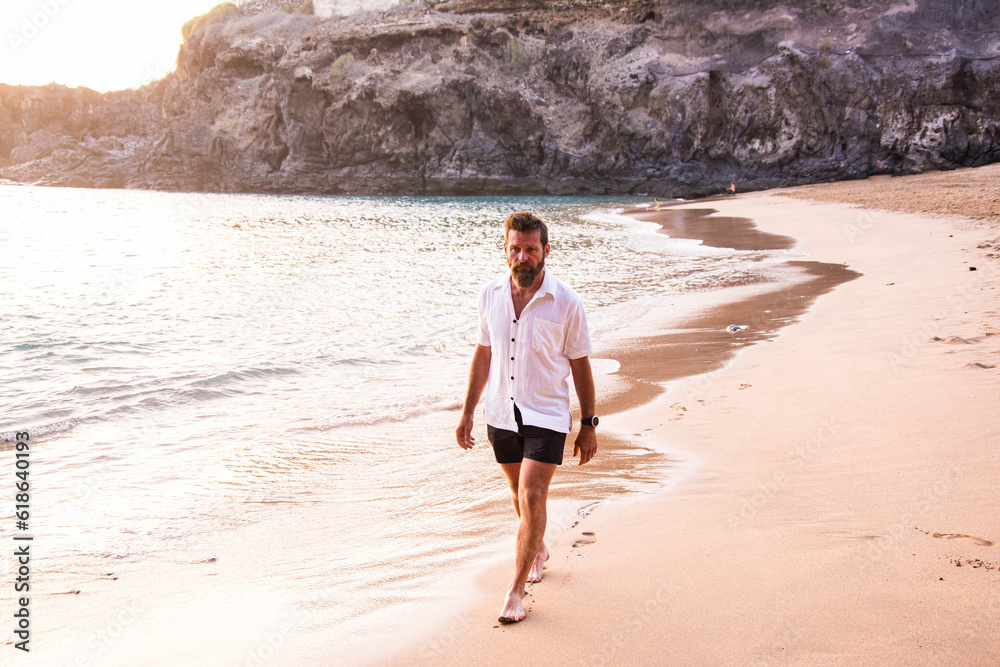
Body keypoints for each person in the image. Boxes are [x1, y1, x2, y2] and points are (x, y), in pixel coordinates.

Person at [455, 210, 598, 624]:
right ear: (505, 251)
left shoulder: (566, 302)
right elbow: (483, 353)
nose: (523, 257)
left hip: (548, 413)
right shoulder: (489, 295)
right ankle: (537, 545)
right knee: (519, 495)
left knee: (533, 494)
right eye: (515, 249)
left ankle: (515, 592)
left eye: (531, 249)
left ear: (545, 252)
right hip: (501, 410)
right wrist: (467, 411)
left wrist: (588, 424)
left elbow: (580, 365)